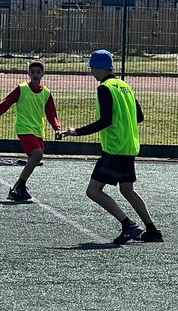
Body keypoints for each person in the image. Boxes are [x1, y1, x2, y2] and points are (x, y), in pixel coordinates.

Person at [56, 49, 162, 245]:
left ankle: (128, 224)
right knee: (127, 190)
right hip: (129, 147)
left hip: (114, 148)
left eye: (92, 68)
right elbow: (139, 117)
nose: (91, 73)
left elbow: (105, 121)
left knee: (93, 191)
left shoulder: (105, 88)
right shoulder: (125, 86)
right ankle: (152, 230)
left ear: (98, 68)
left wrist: (76, 132)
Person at [0, 60, 62, 202]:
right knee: (37, 155)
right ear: (29, 73)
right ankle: (19, 185)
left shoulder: (46, 93)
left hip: (37, 130)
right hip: (23, 128)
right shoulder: (22, 88)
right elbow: (5, 103)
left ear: (43, 74)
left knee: (34, 158)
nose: (35, 75)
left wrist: (57, 128)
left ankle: (19, 189)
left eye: (38, 72)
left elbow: (52, 113)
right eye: (33, 72)